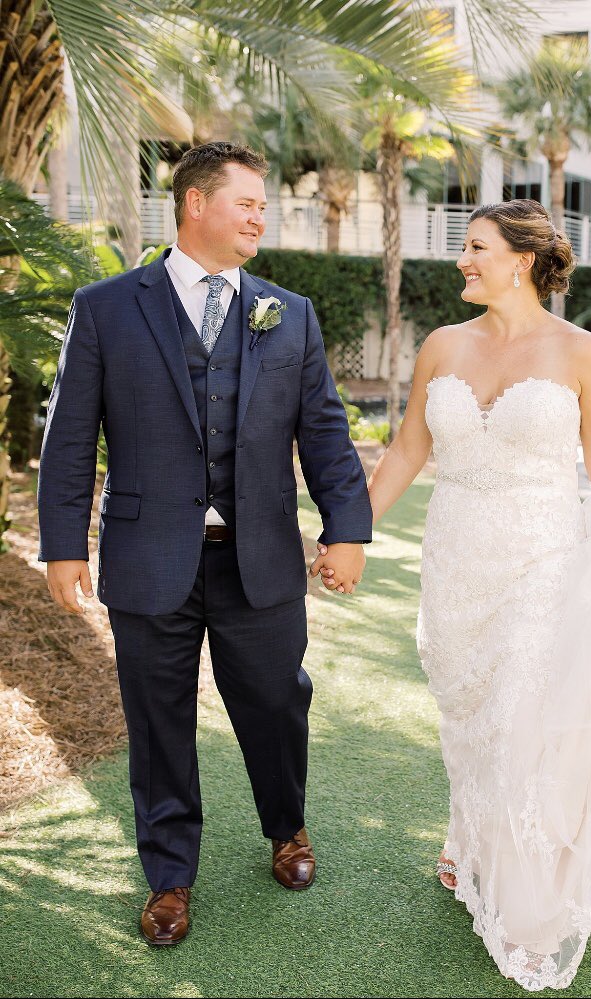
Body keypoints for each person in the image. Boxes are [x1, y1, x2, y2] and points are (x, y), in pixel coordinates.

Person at [313, 199, 591, 990]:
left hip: (543, 562)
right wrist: (345, 536)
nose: (462, 259)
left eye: (475, 246)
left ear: (521, 259)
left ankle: (532, 909)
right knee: (471, 719)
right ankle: (470, 844)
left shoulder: (578, 351)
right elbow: (402, 456)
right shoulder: (441, 346)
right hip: (455, 567)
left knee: (524, 722)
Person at [38, 142, 371, 946]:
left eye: (264, 204)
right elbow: (71, 434)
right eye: (248, 201)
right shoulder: (108, 305)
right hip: (148, 555)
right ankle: (169, 877)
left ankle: (285, 827)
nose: (262, 214)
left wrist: (347, 527)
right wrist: (63, 543)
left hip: (259, 556)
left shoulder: (288, 312)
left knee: (276, 701)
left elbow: (323, 430)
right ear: (195, 204)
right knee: (156, 721)